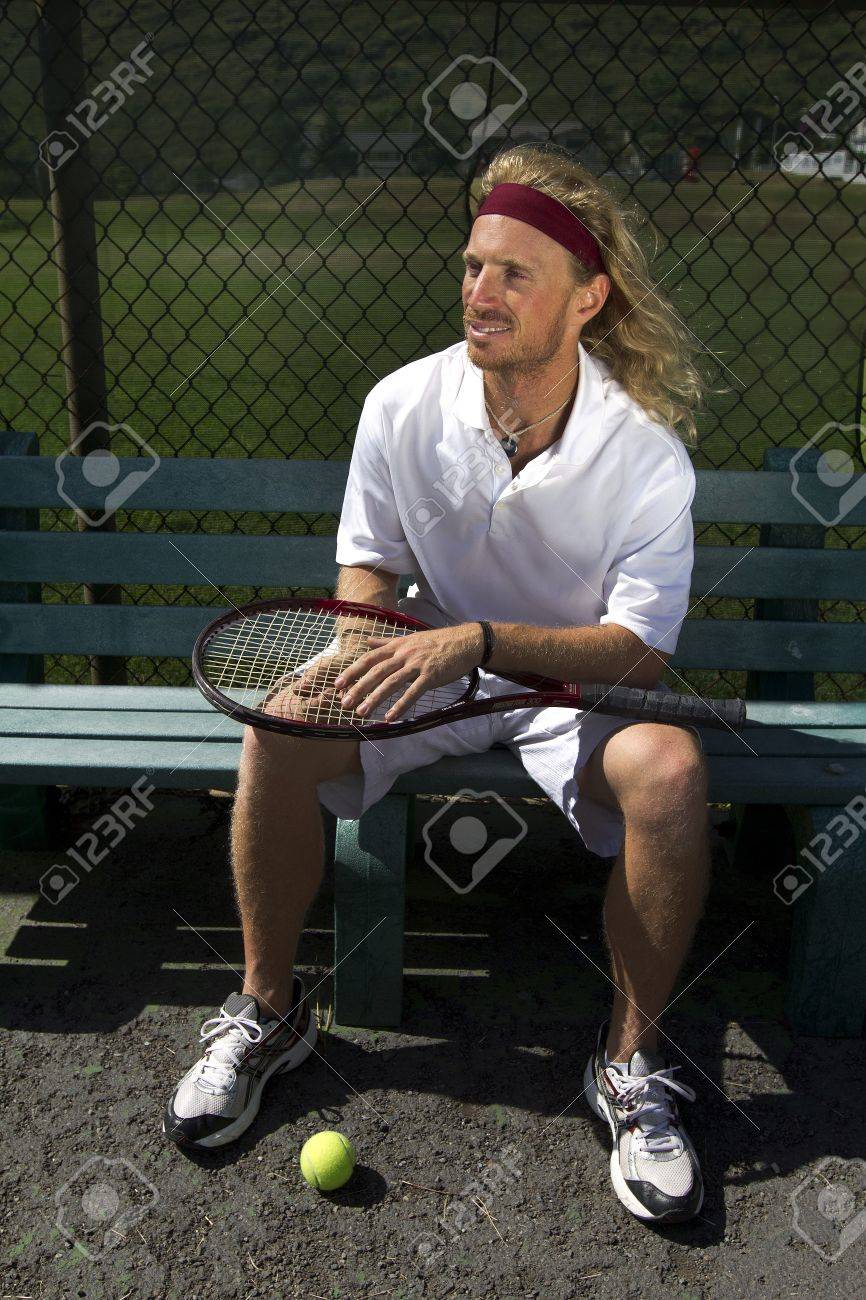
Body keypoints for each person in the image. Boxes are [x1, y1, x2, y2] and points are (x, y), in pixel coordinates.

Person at [165, 143, 710, 1225]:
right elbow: (368, 563)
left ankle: (630, 1066)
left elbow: (637, 652)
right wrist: (355, 643)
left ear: (587, 299)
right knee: (279, 726)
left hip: (564, 690)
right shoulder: (400, 404)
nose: (479, 292)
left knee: (673, 771)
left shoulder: (646, 454)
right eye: (471, 266)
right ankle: (270, 1009)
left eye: (514, 274)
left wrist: (479, 642)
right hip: (429, 665)